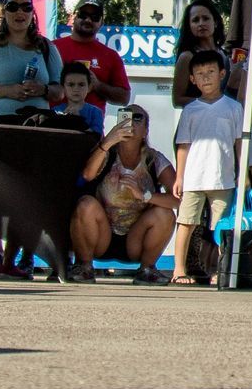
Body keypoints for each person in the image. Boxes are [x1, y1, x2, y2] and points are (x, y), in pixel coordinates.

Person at [67, 104, 176, 284]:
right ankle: (84, 266)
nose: (131, 122)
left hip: (136, 239)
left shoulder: (154, 160)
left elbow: (179, 200)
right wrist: (108, 141)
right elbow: (87, 175)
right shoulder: (107, 153)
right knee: (85, 204)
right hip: (102, 234)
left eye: (137, 118)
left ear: (146, 131)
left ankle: (147, 269)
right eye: (125, 117)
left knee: (165, 213)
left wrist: (145, 196)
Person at [170, 49, 250, 287]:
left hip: (223, 178)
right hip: (194, 178)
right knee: (186, 222)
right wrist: (179, 177)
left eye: (211, 72)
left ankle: (220, 269)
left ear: (222, 74)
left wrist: (242, 172)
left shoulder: (234, 108)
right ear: (192, 79)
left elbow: (238, 143)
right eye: (200, 74)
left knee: (222, 227)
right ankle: (178, 269)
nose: (206, 78)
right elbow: (183, 144)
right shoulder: (190, 110)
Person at [53, 0, 131, 113]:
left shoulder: (110, 56)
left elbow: (124, 98)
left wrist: (97, 85)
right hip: (53, 123)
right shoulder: (52, 48)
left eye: (94, 17)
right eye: (83, 15)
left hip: (91, 127)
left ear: (101, 23)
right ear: (73, 17)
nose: (88, 20)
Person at [171, 0, 229, 107]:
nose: (201, 23)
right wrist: (210, 102)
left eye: (206, 18)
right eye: (195, 20)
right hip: (197, 119)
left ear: (215, 22)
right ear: (189, 26)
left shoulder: (226, 55)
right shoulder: (187, 57)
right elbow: (177, 100)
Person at [52, 63, 104, 133]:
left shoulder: (95, 112)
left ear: (89, 87)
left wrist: (78, 121)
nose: (76, 89)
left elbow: (96, 137)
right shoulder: (55, 111)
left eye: (81, 84)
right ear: (63, 87)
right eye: (71, 85)